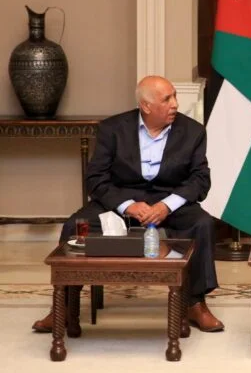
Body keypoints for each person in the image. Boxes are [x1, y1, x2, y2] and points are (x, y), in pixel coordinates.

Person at [32, 76, 224, 333]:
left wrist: (166, 206)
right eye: (167, 99)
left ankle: (195, 303)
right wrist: (127, 205)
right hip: (122, 199)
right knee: (74, 225)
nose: (175, 104)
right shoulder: (113, 129)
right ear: (146, 106)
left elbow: (200, 180)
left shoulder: (192, 131)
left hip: (168, 199)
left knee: (202, 223)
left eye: (175, 96)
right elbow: (96, 178)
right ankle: (64, 305)